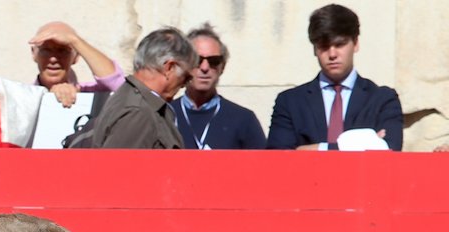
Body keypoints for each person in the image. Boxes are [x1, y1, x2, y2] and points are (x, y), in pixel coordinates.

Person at [266, 4, 402, 151]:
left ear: (355, 44)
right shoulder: (290, 102)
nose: (332, 54)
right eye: (324, 47)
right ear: (314, 49)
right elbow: (278, 159)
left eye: (339, 44)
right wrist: (361, 145)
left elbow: (389, 153)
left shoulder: (382, 99)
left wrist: (312, 149)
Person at [90, 27, 195, 149]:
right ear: (169, 68)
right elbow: (118, 167)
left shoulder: (134, 100)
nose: (183, 86)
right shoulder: (139, 112)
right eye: (186, 78)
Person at [168, 23, 265, 150]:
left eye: (214, 61)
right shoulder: (164, 116)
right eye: (197, 60)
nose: (205, 68)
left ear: (222, 67)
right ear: (183, 64)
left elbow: (264, 167)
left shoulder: (244, 120)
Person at [28, 21, 122, 108]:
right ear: (34, 54)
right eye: (46, 51)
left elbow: (121, 88)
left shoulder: (90, 94)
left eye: (62, 51)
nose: (53, 59)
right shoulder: (23, 97)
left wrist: (74, 40)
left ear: (76, 56)